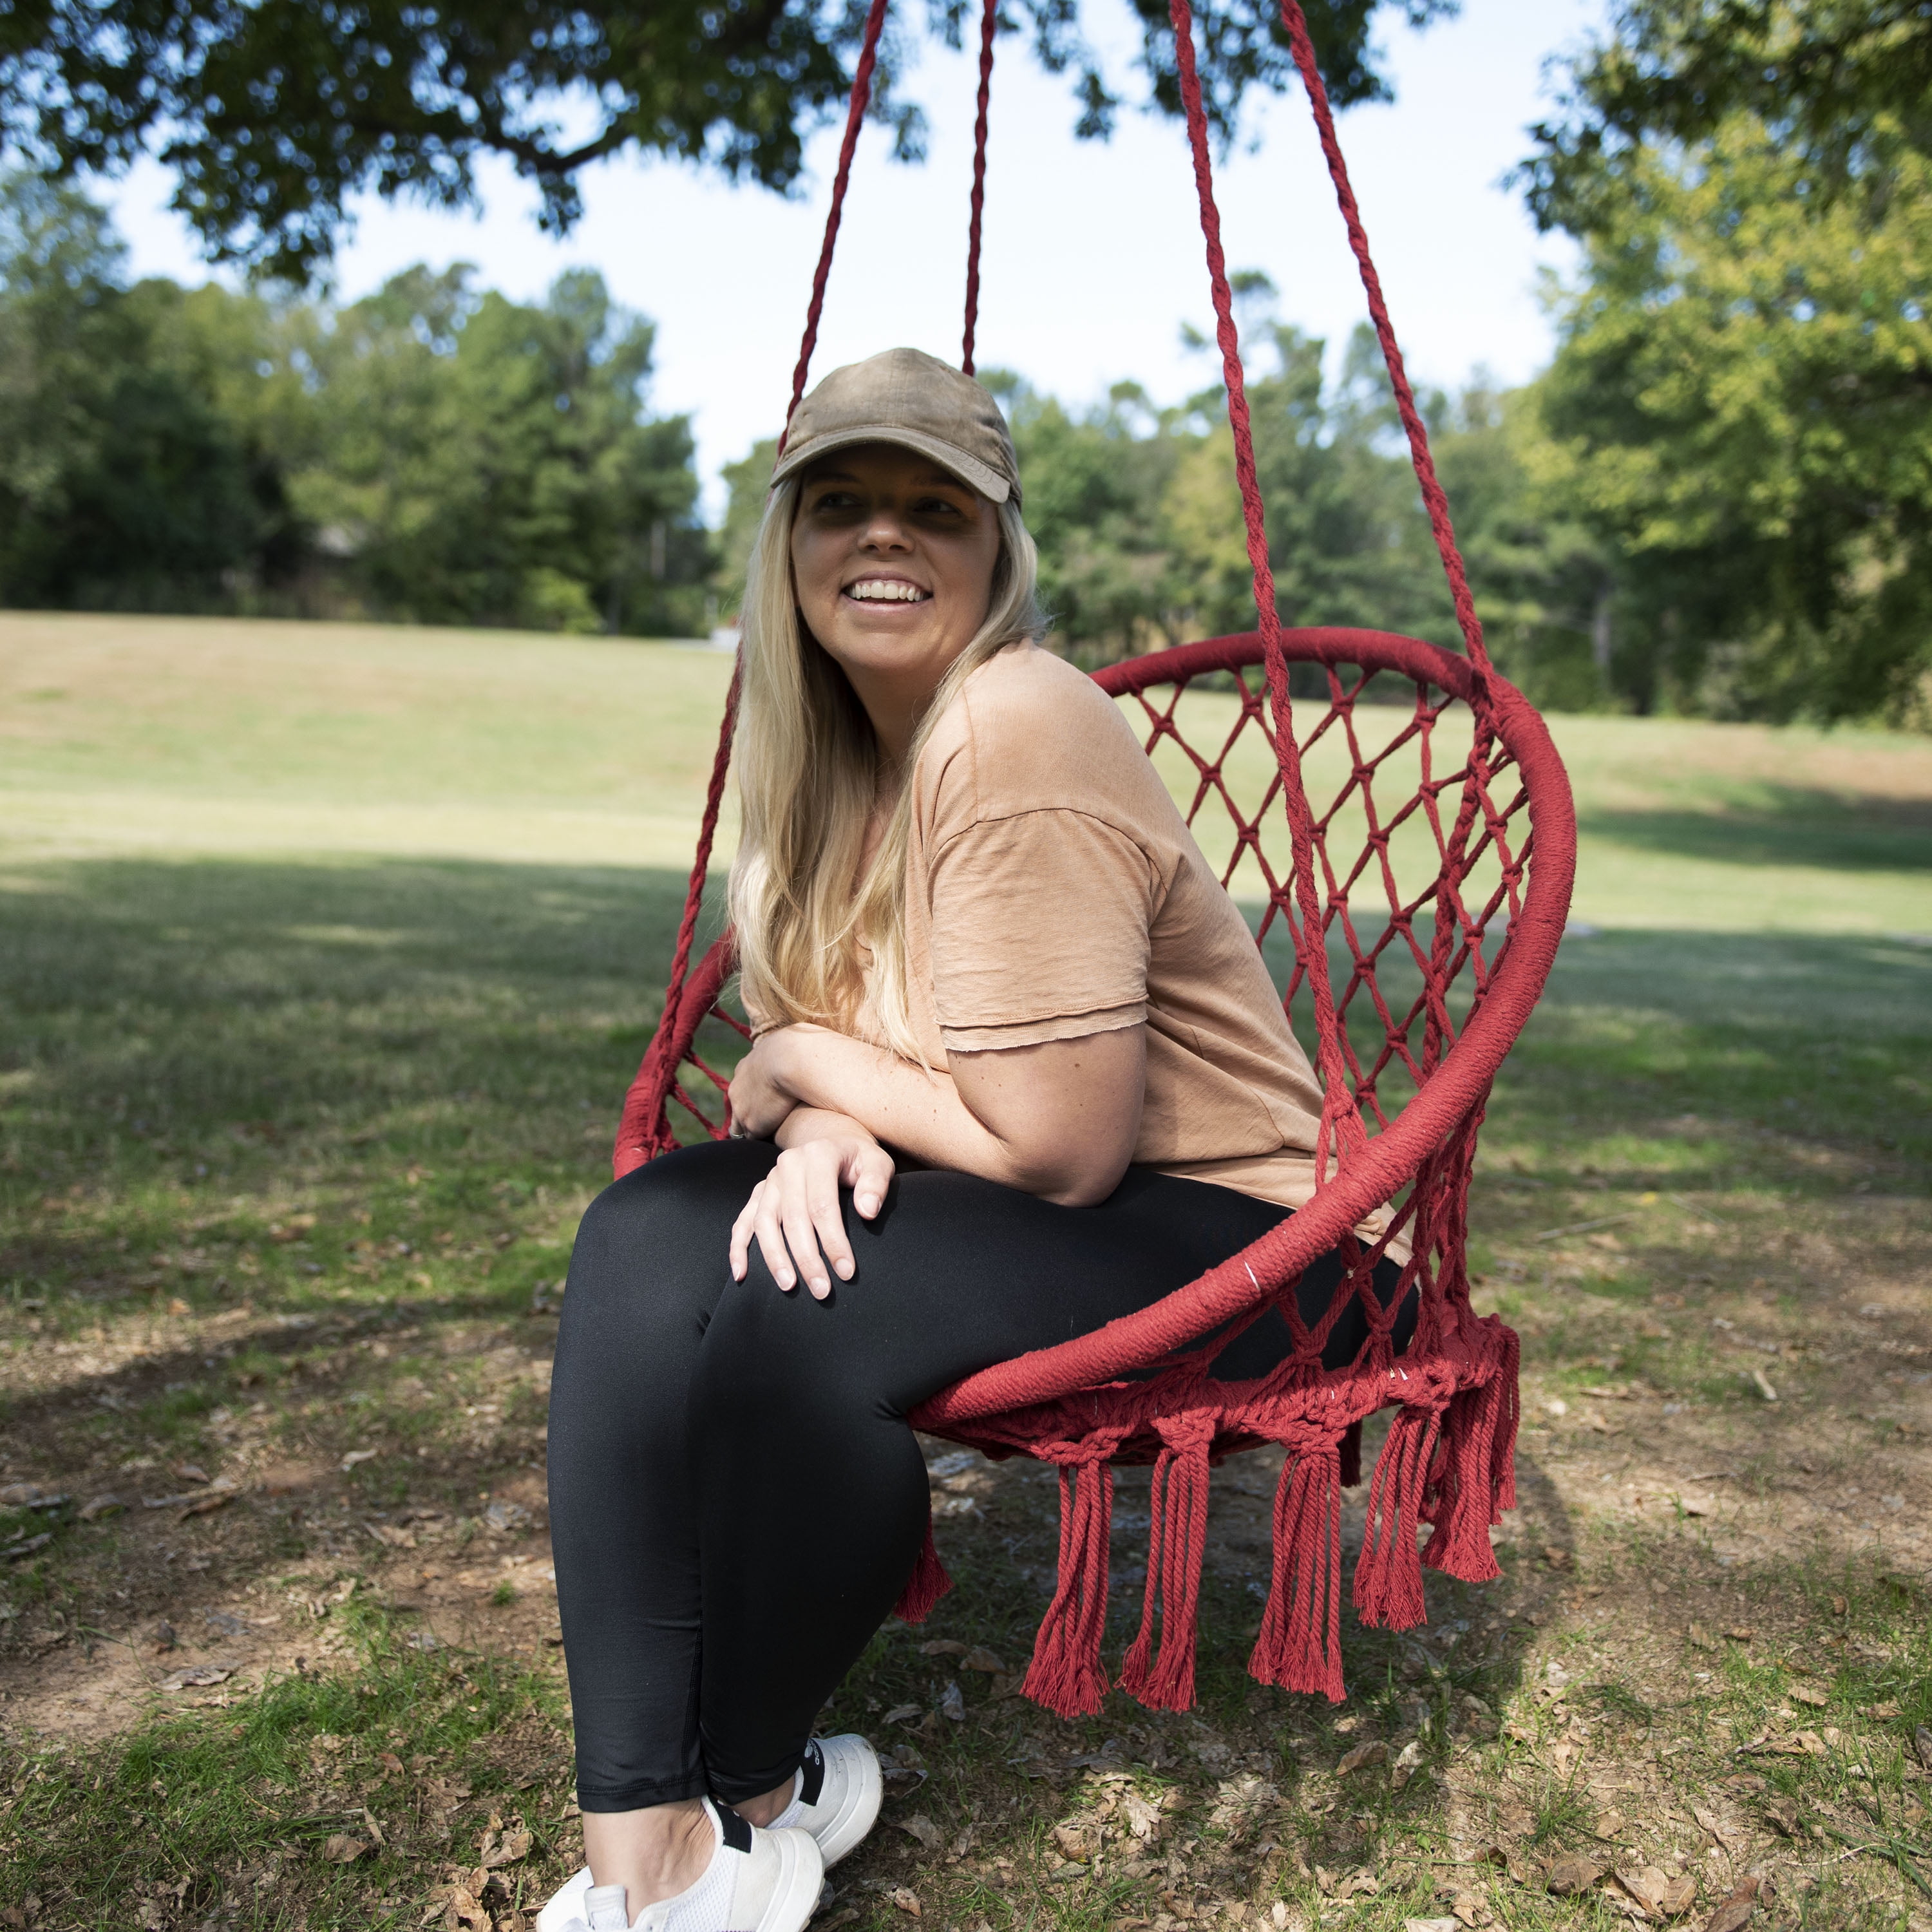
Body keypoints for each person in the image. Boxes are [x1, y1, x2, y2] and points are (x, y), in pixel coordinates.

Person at [539, 348, 1411, 1932]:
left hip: (1231, 1233)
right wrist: (810, 1123)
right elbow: (864, 1072)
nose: (887, 539)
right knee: (644, 1238)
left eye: (935, 509)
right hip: (1013, 1189)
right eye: (845, 503)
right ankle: (646, 1854)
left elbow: (1064, 1147)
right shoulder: (824, 770)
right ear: (788, 541)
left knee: (789, 1320)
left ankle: (755, 1791)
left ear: (998, 550)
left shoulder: (1014, 722)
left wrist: (803, 1063)